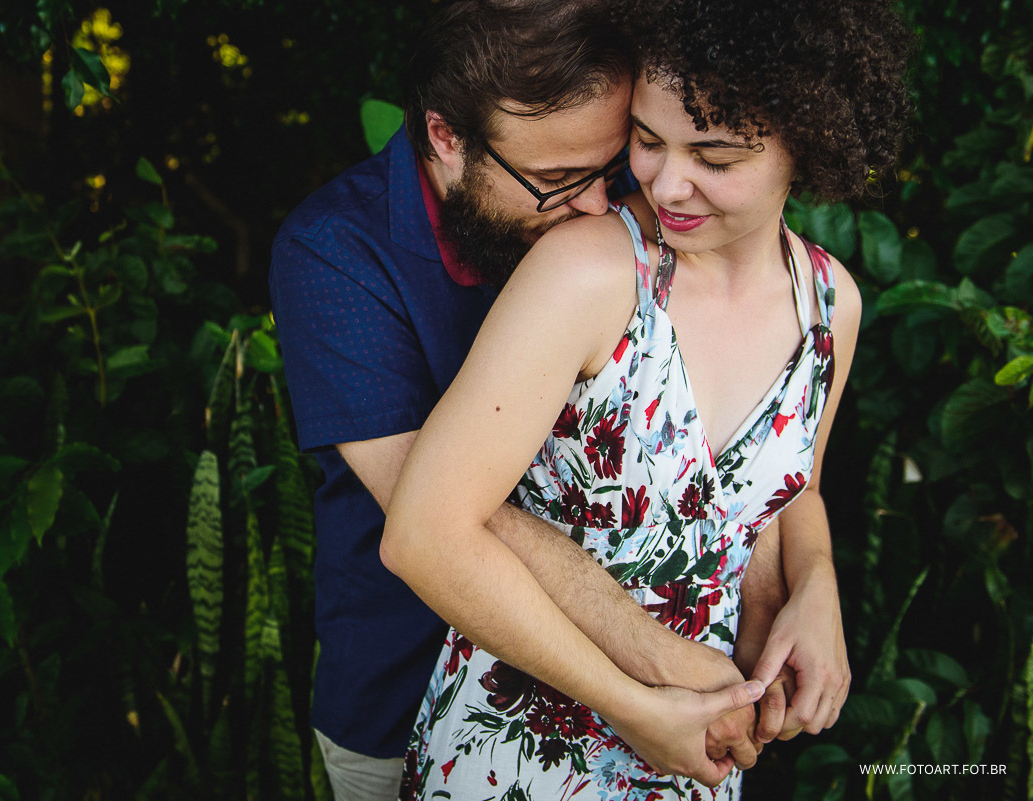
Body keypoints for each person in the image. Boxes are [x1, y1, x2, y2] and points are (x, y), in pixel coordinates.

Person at [271, 0, 853, 797]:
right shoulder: (334, 255)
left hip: (678, 722)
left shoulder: (752, 270)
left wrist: (812, 587)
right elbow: (435, 514)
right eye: (556, 181)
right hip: (407, 689)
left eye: (609, 166)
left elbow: (773, 481)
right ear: (447, 137)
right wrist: (653, 667)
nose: (598, 204)